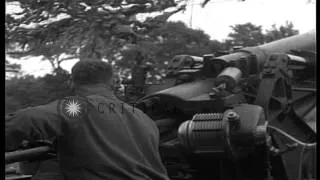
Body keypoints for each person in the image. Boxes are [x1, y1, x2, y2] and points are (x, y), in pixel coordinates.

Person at [5, 60, 169, 180]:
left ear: (71, 82)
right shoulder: (141, 116)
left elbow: (23, 121)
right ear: (111, 82)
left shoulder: (78, 107)